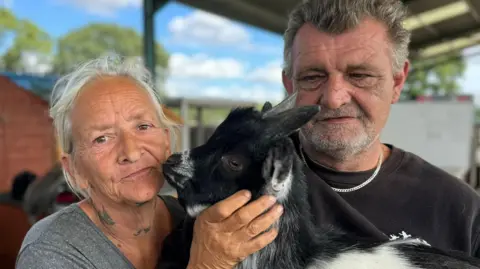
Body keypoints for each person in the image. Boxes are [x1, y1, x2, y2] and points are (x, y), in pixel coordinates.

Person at [16, 54, 283, 269]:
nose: (131, 152)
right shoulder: (51, 251)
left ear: (166, 141)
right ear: (73, 170)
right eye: (102, 139)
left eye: (143, 126)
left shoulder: (196, 219)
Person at [281, 0, 480, 257]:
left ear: (397, 83)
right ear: (289, 85)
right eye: (311, 77)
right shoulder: (239, 180)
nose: (333, 98)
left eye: (360, 75)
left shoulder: (459, 210)